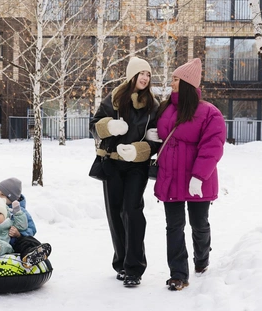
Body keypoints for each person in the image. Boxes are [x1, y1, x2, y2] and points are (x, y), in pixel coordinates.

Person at [152, 58, 226, 291]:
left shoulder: (209, 113)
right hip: (171, 177)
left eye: (175, 79)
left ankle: (202, 259)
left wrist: (199, 177)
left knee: (199, 223)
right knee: (173, 226)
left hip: (197, 179)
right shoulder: (165, 108)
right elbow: (163, 136)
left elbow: (212, 146)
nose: (171, 83)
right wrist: (152, 138)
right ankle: (178, 274)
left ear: (185, 83)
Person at [89, 57, 159, 287]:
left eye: (148, 74)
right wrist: (108, 126)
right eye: (141, 74)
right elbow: (95, 124)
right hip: (111, 163)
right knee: (115, 212)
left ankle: (134, 268)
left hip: (136, 166)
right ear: (132, 76)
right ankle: (121, 263)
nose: (145, 78)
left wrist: (138, 150)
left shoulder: (153, 105)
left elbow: (156, 139)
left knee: (133, 211)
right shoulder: (114, 99)